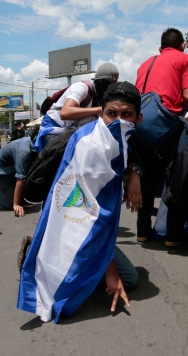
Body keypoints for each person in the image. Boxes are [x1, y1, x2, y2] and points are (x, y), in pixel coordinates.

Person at [17, 81, 144, 323]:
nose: (118, 120)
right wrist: (111, 273)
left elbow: (133, 155)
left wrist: (134, 173)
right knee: (127, 279)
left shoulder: (118, 135)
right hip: (74, 219)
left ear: (138, 119)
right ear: (100, 113)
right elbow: (92, 217)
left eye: (126, 114)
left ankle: (57, 253)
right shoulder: (92, 147)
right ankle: (40, 256)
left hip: (76, 213)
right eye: (111, 114)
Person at [133, 27, 188, 246]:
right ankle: (172, 235)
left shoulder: (145, 63)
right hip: (168, 125)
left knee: (147, 177)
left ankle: (143, 232)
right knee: (178, 175)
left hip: (139, 125)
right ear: (182, 45)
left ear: (160, 48)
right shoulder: (187, 59)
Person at [35, 63, 119, 151]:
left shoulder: (99, 97)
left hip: (70, 132)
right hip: (54, 130)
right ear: (100, 81)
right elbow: (65, 113)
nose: (108, 90)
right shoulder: (82, 88)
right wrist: (100, 109)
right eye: (107, 85)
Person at [0, 136, 35, 217]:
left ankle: (20, 198)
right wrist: (16, 204)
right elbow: (20, 178)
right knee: (10, 203)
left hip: (12, 170)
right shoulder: (23, 151)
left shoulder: (33, 143)